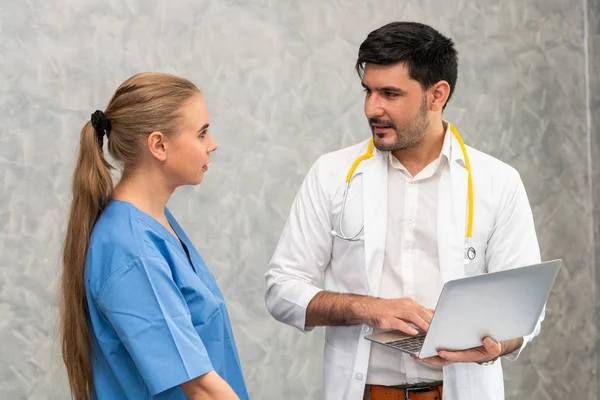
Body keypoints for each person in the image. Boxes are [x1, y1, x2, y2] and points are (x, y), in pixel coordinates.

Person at [265, 22, 543, 400]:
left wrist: (499, 345)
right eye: (369, 91)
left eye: (390, 93)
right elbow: (282, 290)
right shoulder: (331, 175)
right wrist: (366, 309)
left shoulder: (498, 182)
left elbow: (524, 308)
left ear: (437, 95)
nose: (372, 108)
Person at [60, 72, 249, 400]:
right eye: (202, 133)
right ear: (159, 145)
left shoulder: (153, 224)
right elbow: (201, 389)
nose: (212, 144)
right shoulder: (132, 250)